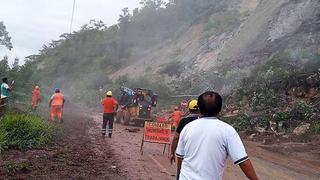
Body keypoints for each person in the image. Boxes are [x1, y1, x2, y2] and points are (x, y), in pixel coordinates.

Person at [176, 91, 258, 180]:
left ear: (199, 108)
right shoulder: (227, 130)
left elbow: (180, 157)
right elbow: (243, 162)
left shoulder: (187, 128)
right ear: (220, 109)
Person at [170, 100, 200, 180]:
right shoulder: (203, 122)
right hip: (199, 157)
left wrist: (172, 153)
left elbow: (176, 138)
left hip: (184, 156)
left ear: (189, 109)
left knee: (182, 173)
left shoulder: (184, 121)